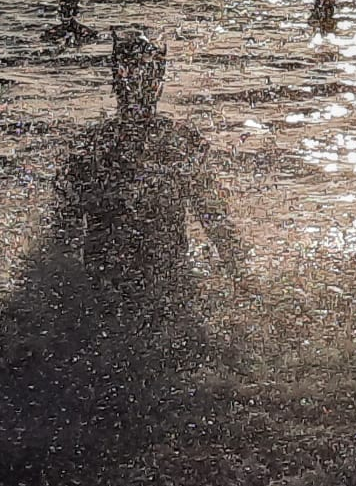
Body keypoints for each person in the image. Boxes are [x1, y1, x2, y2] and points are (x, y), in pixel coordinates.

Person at [51, 28, 247, 310]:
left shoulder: (90, 146)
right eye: (132, 73)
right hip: (164, 293)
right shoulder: (181, 143)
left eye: (143, 74)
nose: (137, 82)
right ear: (159, 85)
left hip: (109, 298)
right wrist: (243, 282)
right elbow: (217, 224)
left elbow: (58, 244)